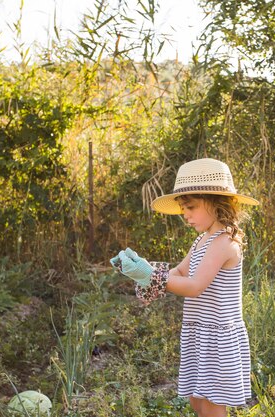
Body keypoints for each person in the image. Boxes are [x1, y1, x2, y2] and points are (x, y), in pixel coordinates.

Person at [111, 158, 259, 417]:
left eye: (190, 207)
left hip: (217, 337)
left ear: (216, 202)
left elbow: (194, 286)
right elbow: (179, 272)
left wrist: (152, 275)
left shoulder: (225, 242)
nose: (186, 215)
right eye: (183, 209)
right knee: (196, 402)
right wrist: (144, 272)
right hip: (198, 333)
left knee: (212, 406)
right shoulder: (203, 240)